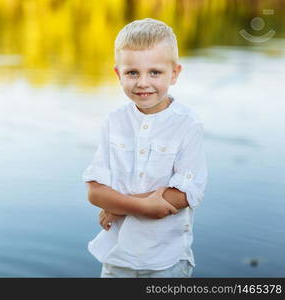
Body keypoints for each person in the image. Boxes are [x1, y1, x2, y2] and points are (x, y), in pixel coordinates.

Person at [82, 18, 207, 278]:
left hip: (165, 260)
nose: (142, 82)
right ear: (119, 74)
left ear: (174, 73)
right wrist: (143, 205)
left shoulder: (187, 125)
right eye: (132, 73)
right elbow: (94, 192)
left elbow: (184, 195)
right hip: (118, 257)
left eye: (155, 72)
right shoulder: (114, 121)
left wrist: (119, 206)